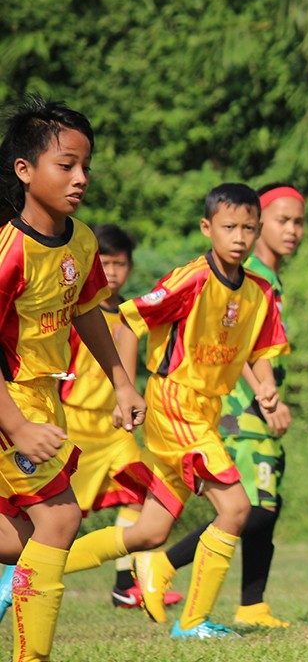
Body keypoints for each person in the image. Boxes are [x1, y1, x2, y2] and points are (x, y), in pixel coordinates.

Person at [61, 182, 289, 640]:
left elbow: (259, 349)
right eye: (229, 227)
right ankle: (194, 622)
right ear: (208, 229)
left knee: (148, 531)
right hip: (175, 402)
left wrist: (267, 391)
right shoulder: (191, 279)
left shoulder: (259, 291)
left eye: (249, 228)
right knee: (236, 507)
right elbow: (128, 318)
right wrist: (126, 390)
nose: (240, 237)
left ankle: (37, 568)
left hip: (204, 411)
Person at [0, 96, 145, 660]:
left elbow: (88, 312)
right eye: (66, 165)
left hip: (41, 400)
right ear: (25, 170)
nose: (81, 177)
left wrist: (122, 382)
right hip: (12, 401)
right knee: (58, 521)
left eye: (86, 165)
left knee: (36, 534)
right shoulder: (10, 252)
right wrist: (15, 423)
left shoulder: (81, 241)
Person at [149, 183, 304, 629]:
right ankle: (166, 565)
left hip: (251, 408)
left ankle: (252, 604)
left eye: (298, 222)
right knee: (247, 508)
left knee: (263, 506)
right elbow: (230, 347)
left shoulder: (266, 279)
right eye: (281, 221)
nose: (291, 230)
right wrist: (262, 395)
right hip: (233, 411)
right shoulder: (241, 272)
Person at [59, 224, 182, 610]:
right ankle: (18, 584)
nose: (112, 271)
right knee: (54, 516)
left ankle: (126, 585)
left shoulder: (129, 312)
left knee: (144, 494)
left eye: (120, 264)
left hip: (115, 428)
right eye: (105, 263)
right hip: (75, 424)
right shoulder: (79, 309)